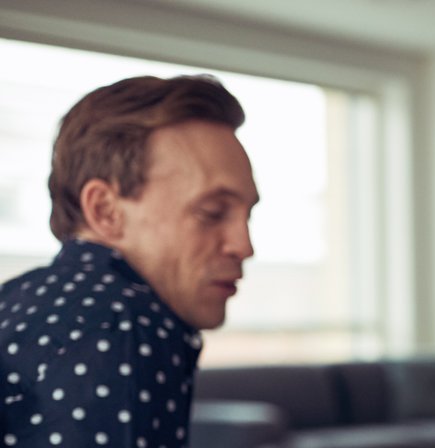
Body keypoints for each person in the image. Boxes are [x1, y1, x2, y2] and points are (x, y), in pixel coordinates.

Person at [0, 75, 257, 447]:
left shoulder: (15, 297)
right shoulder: (123, 322)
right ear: (105, 210)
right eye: (212, 212)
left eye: (246, 215)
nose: (244, 245)